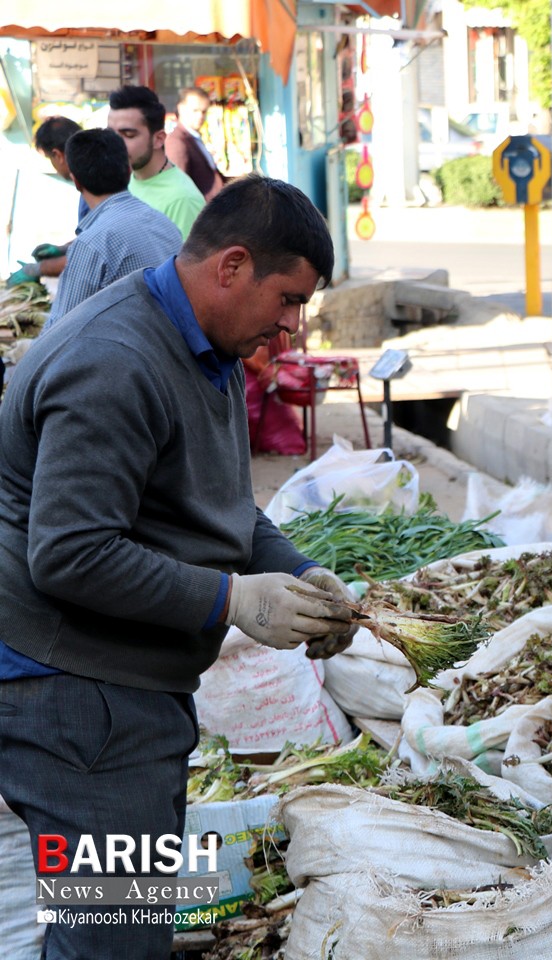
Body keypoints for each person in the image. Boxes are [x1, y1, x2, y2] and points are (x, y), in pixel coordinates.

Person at [0, 175, 360, 959]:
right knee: (112, 938)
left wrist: (294, 571)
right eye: (289, 300)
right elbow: (69, 553)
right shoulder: (115, 362)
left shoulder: (209, 344)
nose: (293, 328)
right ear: (232, 266)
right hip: (74, 694)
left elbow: (220, 506)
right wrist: (233, 600)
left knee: (125, 924)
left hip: (133, 686)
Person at [47, 128, 183, 322]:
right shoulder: (164, 224)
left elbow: (60, 329)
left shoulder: (92, 243)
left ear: (76, 181)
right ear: (128, 171)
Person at [107, 84, 206, 238]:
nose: (115, 143)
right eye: (111, 134)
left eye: (128, 135)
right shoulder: (124, 181)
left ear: (158, 139)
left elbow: (189, 261)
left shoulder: (182, 199)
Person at [5, 117, 83, 287]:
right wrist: (63, 248)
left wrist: (37, 269)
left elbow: (91, 255)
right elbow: (91, 238)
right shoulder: (91, 184)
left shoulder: (93, 186)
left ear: (58, 155)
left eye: (50, 158)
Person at [166, 86, 225, 201]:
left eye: (204, 111)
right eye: (195, 110)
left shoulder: (193, 137)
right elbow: (179, 189)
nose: (200, 116)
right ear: (181, 109)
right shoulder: (177, 142)